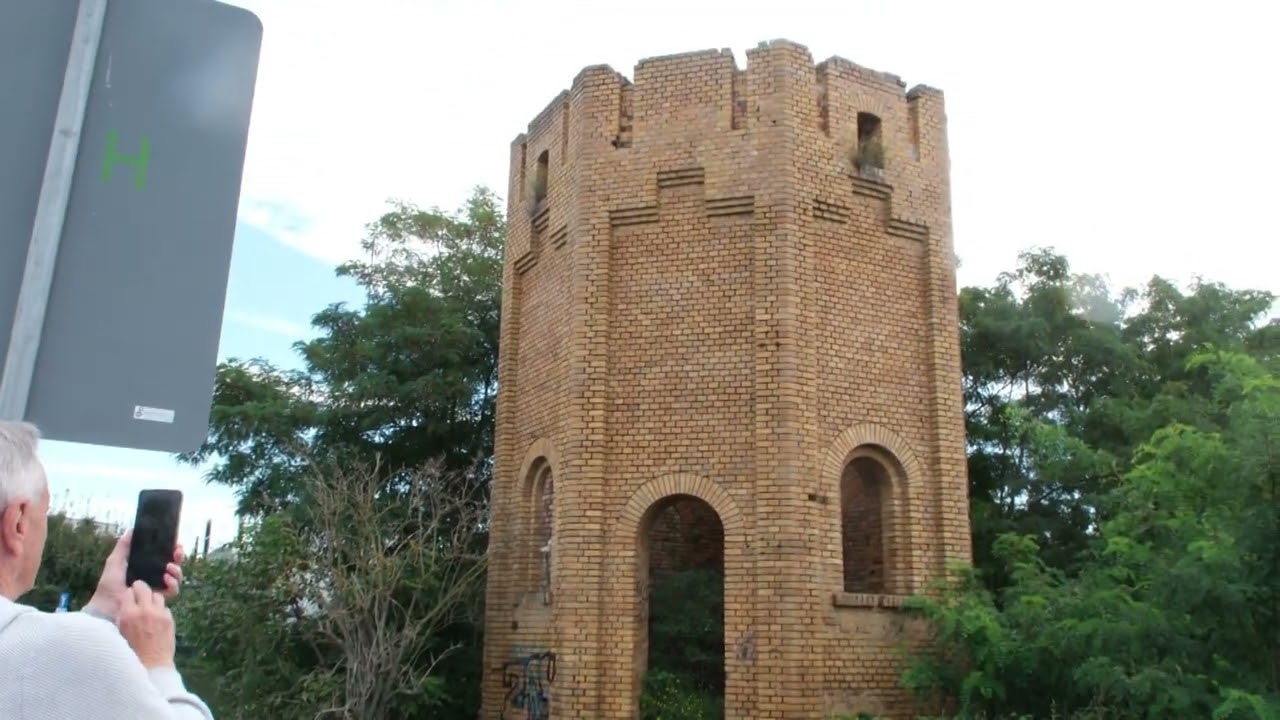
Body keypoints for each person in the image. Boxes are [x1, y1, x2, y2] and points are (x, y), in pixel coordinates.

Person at [0, 420, 213, 719]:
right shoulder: (60, 647)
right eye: (45, 511)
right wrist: (156, 661)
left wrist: (102, 610)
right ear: (18, 522)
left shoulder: (39, 649)